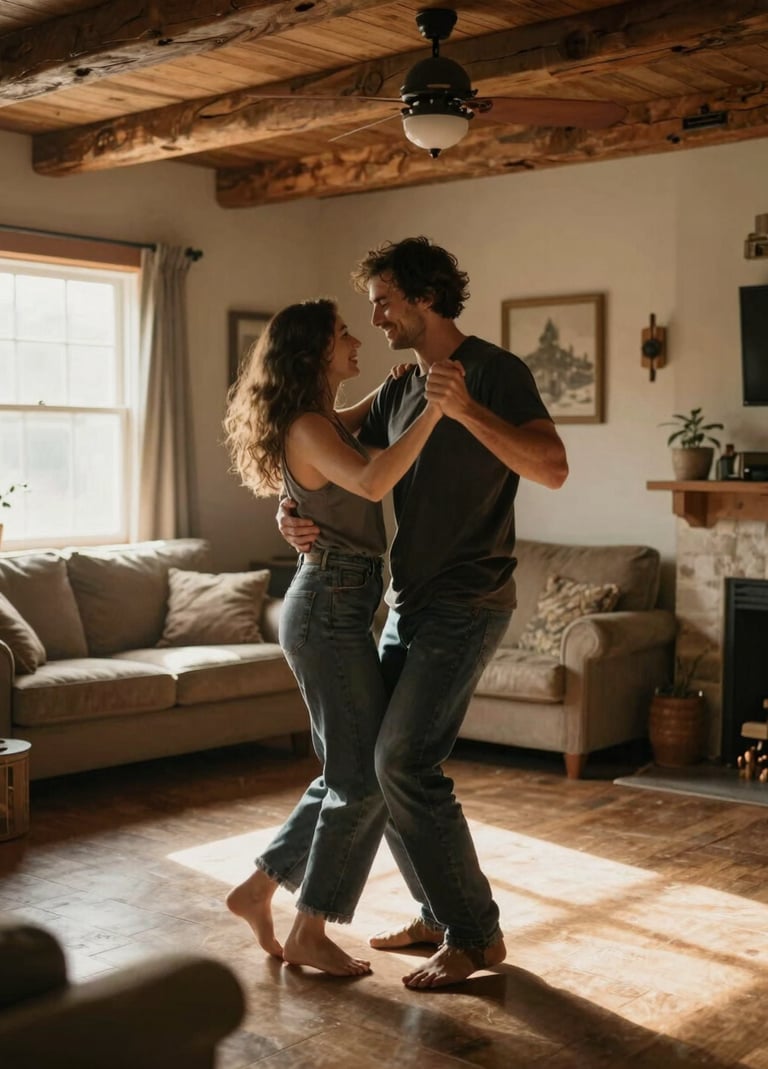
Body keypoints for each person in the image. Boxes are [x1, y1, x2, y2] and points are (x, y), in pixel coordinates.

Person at [278, 237, 568, 989]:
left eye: (383, 299)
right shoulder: (404, 385)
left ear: (425, 298)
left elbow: (552, 467)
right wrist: (288, 509)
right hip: (408, 602)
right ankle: (437, 912)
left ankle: (475, 934)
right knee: (381, 756)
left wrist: (466, 409)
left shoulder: (498, 373)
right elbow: (326, 454)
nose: (374, 316)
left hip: (470, 600)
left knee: (404, 759)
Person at [223, 297, 443, 977]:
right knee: (361, 777)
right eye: (344, 333)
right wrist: (438, 410)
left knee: (349, 770)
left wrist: (416, 373)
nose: (356, 339)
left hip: (339, 605)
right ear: (316, 351)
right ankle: (311, 925)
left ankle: (260, 888)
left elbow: (357, 425)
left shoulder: (321, 419)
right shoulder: (308, 427)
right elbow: (374, 479)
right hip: (326, 610)